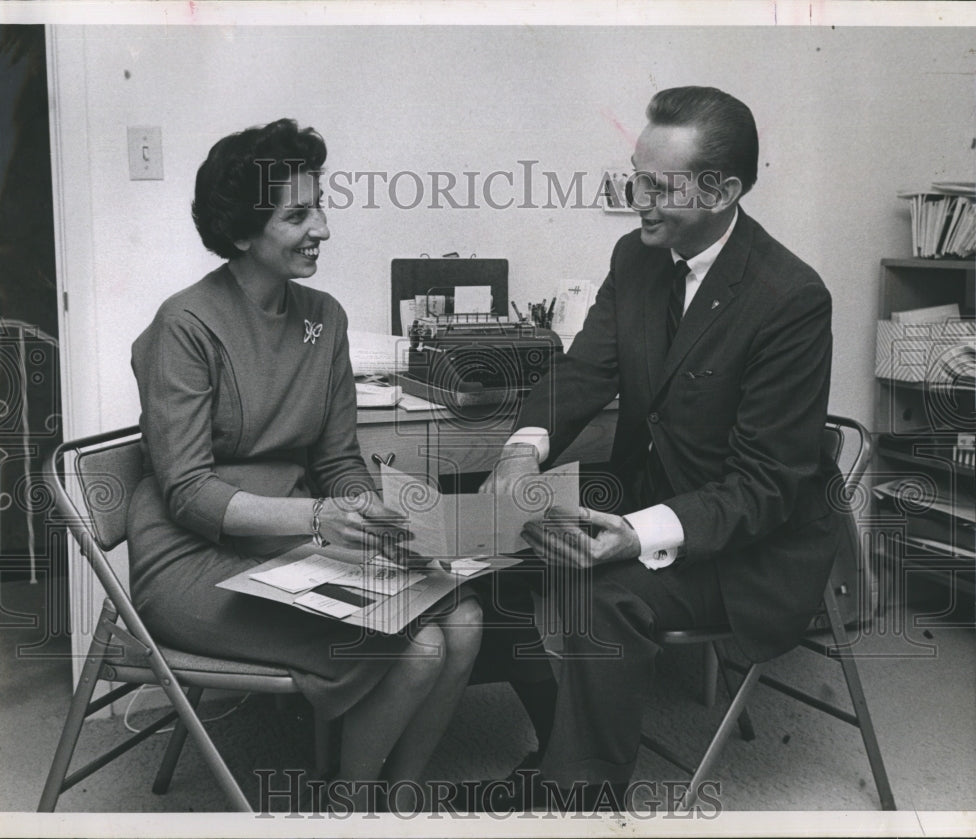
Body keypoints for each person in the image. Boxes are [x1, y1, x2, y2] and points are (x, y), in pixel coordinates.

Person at [480, 86, 857, 808]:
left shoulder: (791, 297)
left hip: (747, 546)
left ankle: (581, 802)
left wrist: (636, 534)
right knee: (494, 537)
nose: (638, 202)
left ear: (723, 192)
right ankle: (561, 750)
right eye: (635, 179)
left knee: (601, 593)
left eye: (658, 187)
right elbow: (584, 370)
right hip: (649, 499)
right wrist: (522, 449)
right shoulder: (637, 257)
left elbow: (766, 486)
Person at [127, 118, 483, 812]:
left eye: (319, 206)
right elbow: (189, 493)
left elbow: (337, 458)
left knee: (463, 622)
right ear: (242, 234)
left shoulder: (325, 317)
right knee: (418, 648)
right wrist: (322, 518)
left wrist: (370, 513)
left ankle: (400, 801)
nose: (322, 227)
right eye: (297, 215)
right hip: (192, 560)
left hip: (292, 545)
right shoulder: (186, 325)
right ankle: (350, 807)